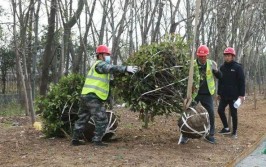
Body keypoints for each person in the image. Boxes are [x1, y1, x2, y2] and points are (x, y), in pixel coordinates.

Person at [71, 45, 138, 146]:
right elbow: (111, 68)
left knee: (83, 118)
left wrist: (117, 82)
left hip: (85, 96)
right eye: (106, 54)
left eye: (108, 55)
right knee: (102, 118)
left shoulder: (97, 67)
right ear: (100, 55)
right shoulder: (100, 65)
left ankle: (75, 140)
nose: (108, 56)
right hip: (93, 97)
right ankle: (97, 140)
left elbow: (105, 82)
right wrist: (126, 68)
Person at [180, 45, 222, 144]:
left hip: (207, 94)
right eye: (200, 56)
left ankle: (210, 135)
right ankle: (185, 135)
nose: (202, 58)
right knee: (189, 113)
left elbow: (220, 76)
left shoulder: (212, 64)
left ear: (207, 55)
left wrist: (216, 71)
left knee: (211, 113)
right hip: (195, 94)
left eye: (204, 56)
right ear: (197, 56)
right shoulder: (192, 64)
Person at [217, 47, 245, 139]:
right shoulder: (222, 67)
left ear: (233, 56)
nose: (227, 57)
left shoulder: (238, 67)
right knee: (220, 110)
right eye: (226, 56)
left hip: (234, 95)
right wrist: (218, 93)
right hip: (224, 95)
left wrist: (241, 95)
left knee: (234, 114)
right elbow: (220, 81)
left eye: (229, 56)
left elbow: (242, 82)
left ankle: (235, 132)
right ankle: (226, 128)